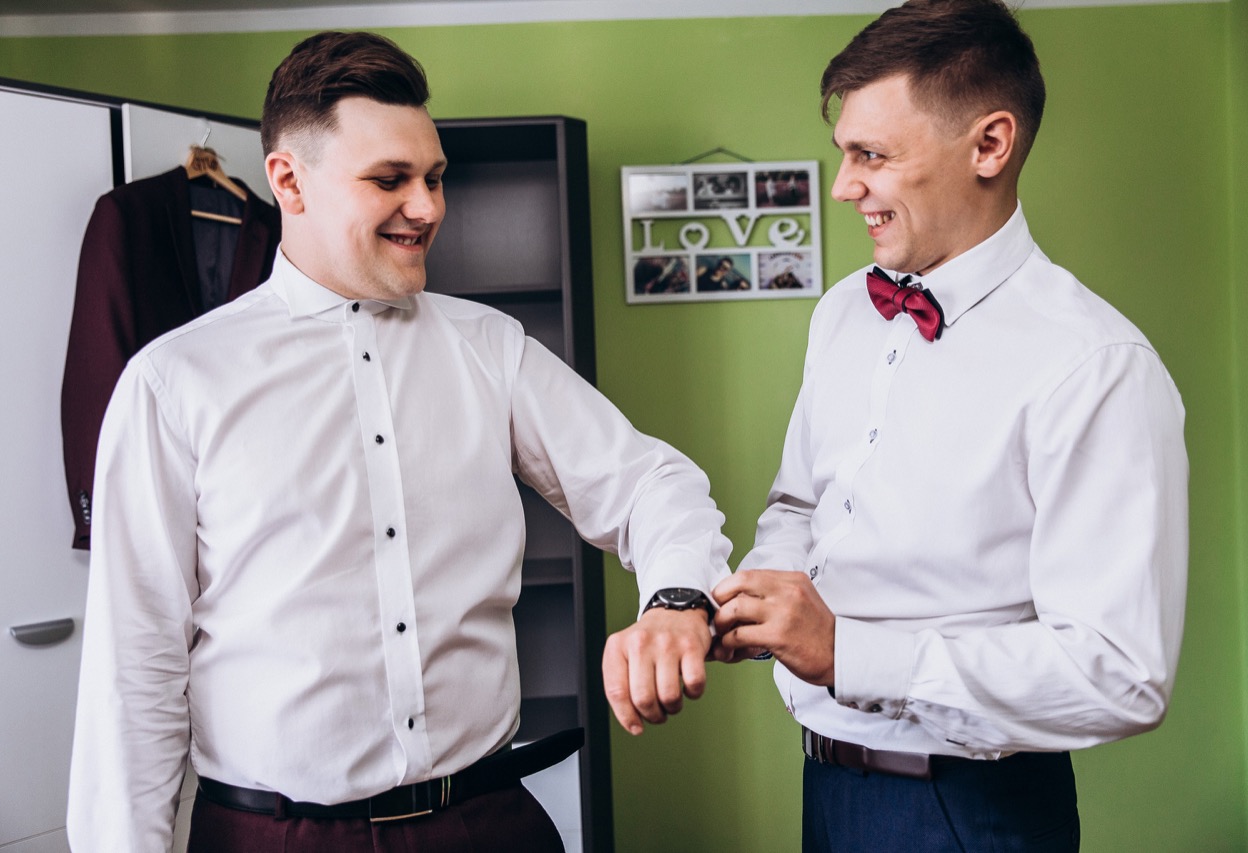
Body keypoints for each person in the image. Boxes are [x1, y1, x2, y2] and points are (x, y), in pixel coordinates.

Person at [67, 31, 730, 852]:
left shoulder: (491, 347)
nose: (428, 207)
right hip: (273, 837)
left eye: (434, 177)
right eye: (390, 180)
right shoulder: (174, 383)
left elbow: (651, 483)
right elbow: (134, 671)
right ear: (288, 181)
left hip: (489, 825)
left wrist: (676, 598)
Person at [708, 1, 1188, 850]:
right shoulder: (841, 312)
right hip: (826, 784)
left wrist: (850, 653)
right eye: (844, 152)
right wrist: (757, 601)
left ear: (990, 145)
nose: (843, 186)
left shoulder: (1096, 364)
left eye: (873, 155)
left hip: (969, 809)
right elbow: (799, 505)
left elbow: (1120, 673)